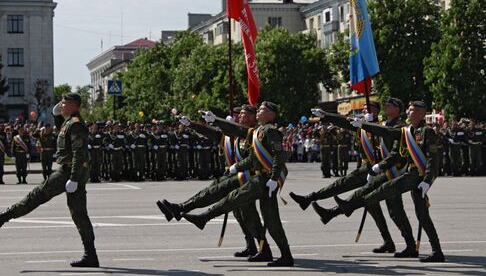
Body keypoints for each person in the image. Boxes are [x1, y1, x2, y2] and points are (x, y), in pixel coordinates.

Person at [0, 93, 99, 267]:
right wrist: (57, 113)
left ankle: (0, 219)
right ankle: (91, 255)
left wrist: (73, 178)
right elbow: (62, 131)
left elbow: (79, 154)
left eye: (64, 103)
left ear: (73, 105)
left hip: (71, 171)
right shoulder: (70, 122)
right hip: (71, 170)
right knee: (78, 214)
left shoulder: (77, 125)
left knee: (37, 195)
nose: (61, 105)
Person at [182, 102, 293, 267]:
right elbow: (237, 131)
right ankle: (283, 255)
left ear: (271, 115)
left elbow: (279, 156)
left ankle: (204, 217)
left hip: (264, 179)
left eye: (262, 110)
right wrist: (215, 121)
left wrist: (273, 178)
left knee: (235, 197)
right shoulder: (257, 131)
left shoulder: (270, 131)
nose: (259, 111)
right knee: (271, 220)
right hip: (262, 179)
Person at [334, 101, 445, 263]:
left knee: (387, 189)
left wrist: (427, 181)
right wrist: (365, 125)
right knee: (422, 214)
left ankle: (350, 205)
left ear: (422, 113)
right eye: (409, 109)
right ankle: (432, 251)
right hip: (412, 174)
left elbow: (433, 160)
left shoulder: (427, 132)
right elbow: (385, 131)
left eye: (413, 110)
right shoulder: (408, 131)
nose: (408, 111)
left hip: (418, 176)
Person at [157, 105, 272, 262]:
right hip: (237, 176)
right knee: (239, 213)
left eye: (243, 114)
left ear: (252, 117)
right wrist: (190, 124)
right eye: (238, 114)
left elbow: (252, 152)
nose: (239, 117)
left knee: (246, 213)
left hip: (249, 178)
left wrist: (217, 121)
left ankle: (182, 208)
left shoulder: (255, 133)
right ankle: (252, 246)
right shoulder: (235, 135)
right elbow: (211, 132)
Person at [290, 101, 400, 254]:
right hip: (367, 167)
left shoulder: (382, 124)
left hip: (382, 170)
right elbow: (344, 122)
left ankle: (321, 206)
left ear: (375, 111)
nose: (363, 111)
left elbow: (385, 135)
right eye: (363, 109)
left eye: (367, 109)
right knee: (353, 192)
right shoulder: (360, 124)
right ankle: (312, 199)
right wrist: (326, 116)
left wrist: (372, 123)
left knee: (394, 211)